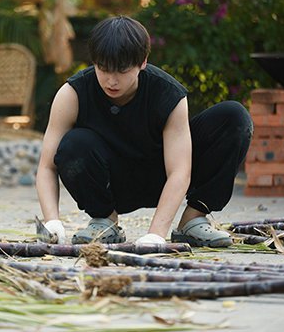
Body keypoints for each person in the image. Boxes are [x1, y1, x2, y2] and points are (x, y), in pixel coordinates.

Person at [35, 15, 253, 246]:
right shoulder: (72, 94)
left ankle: (193, 220)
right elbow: (47, 166)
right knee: (73, 144)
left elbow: (180, 171)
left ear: (143, 62)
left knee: (234, 116)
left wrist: (156, 234)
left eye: (122, 70)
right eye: (103, 69)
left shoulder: (168, 94)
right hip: (112, 182)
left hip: (161, 176)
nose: (111, 80)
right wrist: (52, 222)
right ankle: (104, 222)